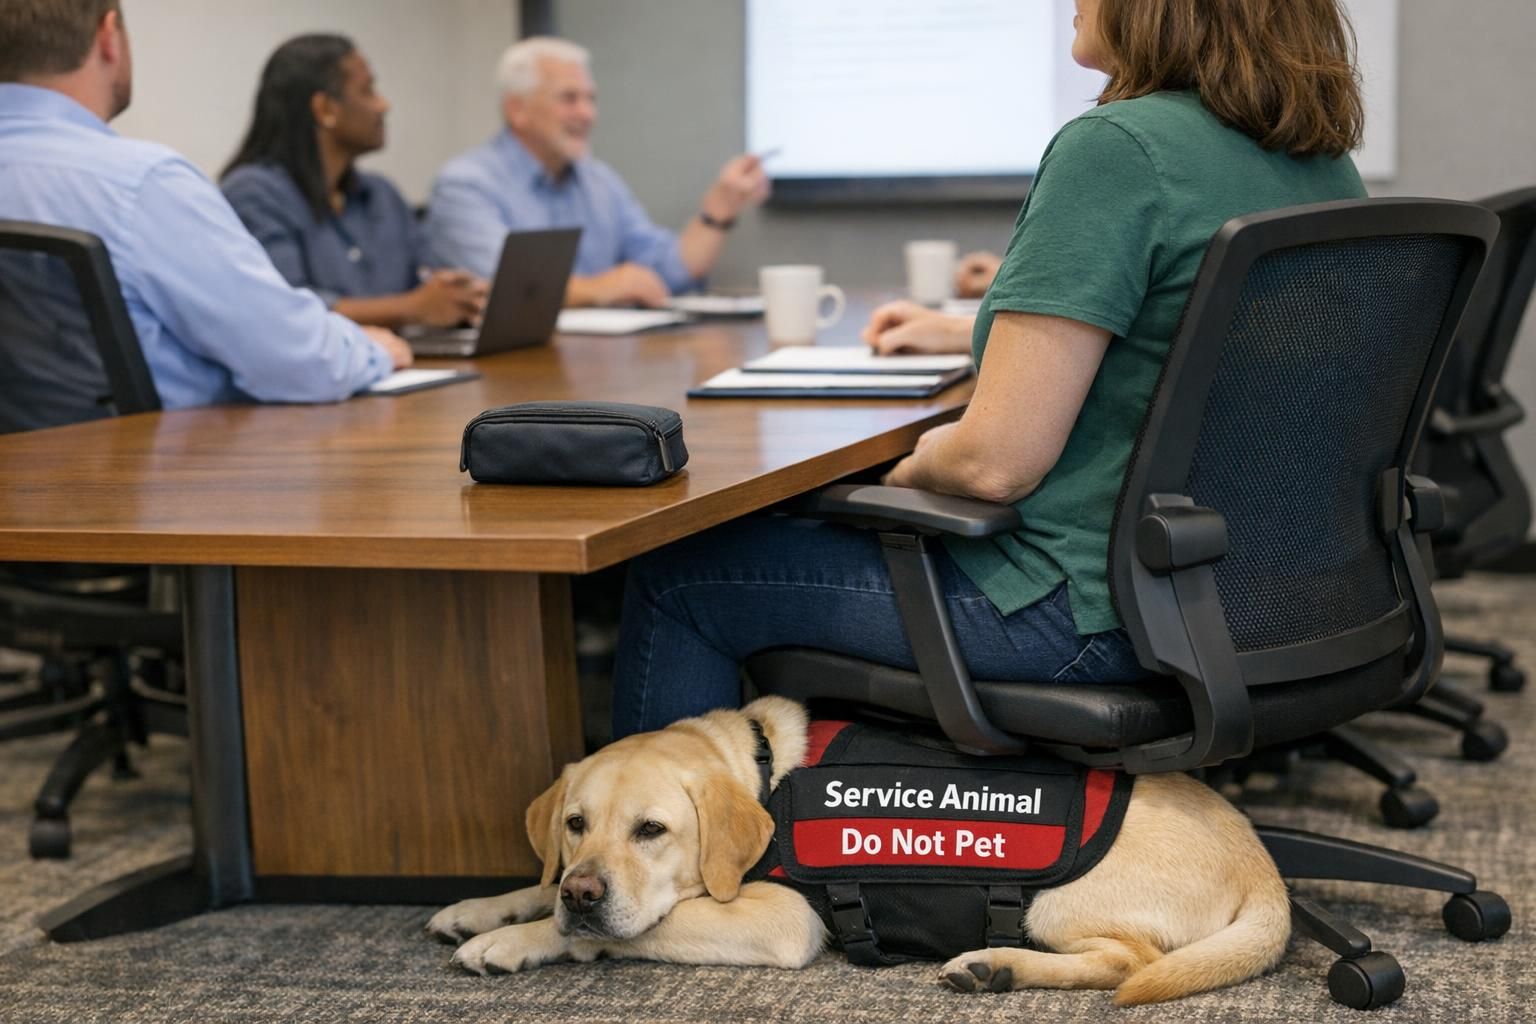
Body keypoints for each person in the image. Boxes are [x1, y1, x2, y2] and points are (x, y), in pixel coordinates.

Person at [610, 0, 1367, 737]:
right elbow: (1182, 339)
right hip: (1262, 592)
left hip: (1091, 615)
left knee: (677, 574)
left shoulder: (1118, 147)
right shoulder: (1323, 164)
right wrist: (967, 331)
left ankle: (669, 862)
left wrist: (899, 474)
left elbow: (993, 468)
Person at [0, 0, 411, 433]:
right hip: (156, 483)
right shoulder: (139, 184)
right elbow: (296, 360)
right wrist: (373, 350)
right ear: (108, 39)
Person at [424, 37, 768, 309]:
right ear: (518, 109)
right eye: (569, 98)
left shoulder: (598, 180)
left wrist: (719, 210)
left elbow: (669, 270)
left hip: (597, 370)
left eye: (591, 98)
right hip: (506, 379)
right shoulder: (466, 184)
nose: (587, 113)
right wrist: (604, 287)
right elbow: (505, 288)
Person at [222, 35, 486, 331]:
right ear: (326, 110)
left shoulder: (382, 194)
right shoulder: (255, 193)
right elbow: (283, 310)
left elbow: (428, 275)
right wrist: (412, 308)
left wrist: (460, 293)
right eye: (368, 90)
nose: (384, 105)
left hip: (408, 365)